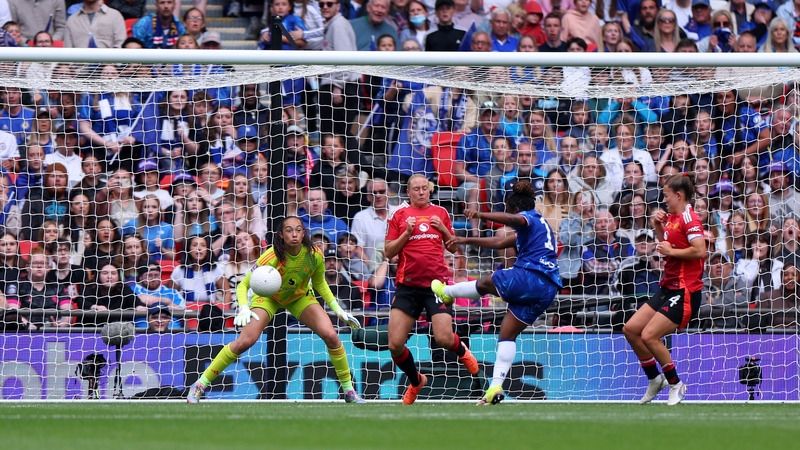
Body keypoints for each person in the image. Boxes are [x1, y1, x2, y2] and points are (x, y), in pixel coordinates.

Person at [187, 216, 366, 404]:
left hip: (299, 296)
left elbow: (320, 282)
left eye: (298, 230)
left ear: (303, 233)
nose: (294, 234)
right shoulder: (270, 256)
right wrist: (244, 307)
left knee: (331, 336)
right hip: (268, 298)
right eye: (289, 230)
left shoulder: (315, 254)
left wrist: (337, 309)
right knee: (245, 341)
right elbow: (243, 285)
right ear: (281, 235)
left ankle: (349, 390)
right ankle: (199, 385)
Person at [431, 181, 561, 405]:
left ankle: (447, 292)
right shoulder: (540, 227)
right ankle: (495, 387)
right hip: (547, 289)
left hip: (531, 276)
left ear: (515, 209)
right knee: (507, 334)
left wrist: (480, 214)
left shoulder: (528, 217)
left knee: (487, 281)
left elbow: (514, 220)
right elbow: (500, 241)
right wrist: (465, 239)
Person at [383, 174, 477, 405]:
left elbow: (453, 249)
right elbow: (388, 252)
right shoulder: (398, 214)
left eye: (425, 188)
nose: (421, 192)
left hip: (436, 286)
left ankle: (463, 352)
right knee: (394, 344)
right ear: (408, 192)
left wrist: (444, 229)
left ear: (429, 190)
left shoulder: (440, 212)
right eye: (416, 189)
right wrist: (406, 233)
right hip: (407, 286)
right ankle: (416, 381)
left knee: (444, 339)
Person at [622, 173, 707, 406]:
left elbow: (700, 250)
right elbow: (666, 245)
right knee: (631, 330)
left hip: (685, 291)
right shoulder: (672, 218)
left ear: (678, 195)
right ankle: (654, 378)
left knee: (649, 335)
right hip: (669, 287)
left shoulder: (690, 218)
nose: (664, 200)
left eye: (666, 195)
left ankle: (676, 384)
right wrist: (658, 226)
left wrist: (671, 251)